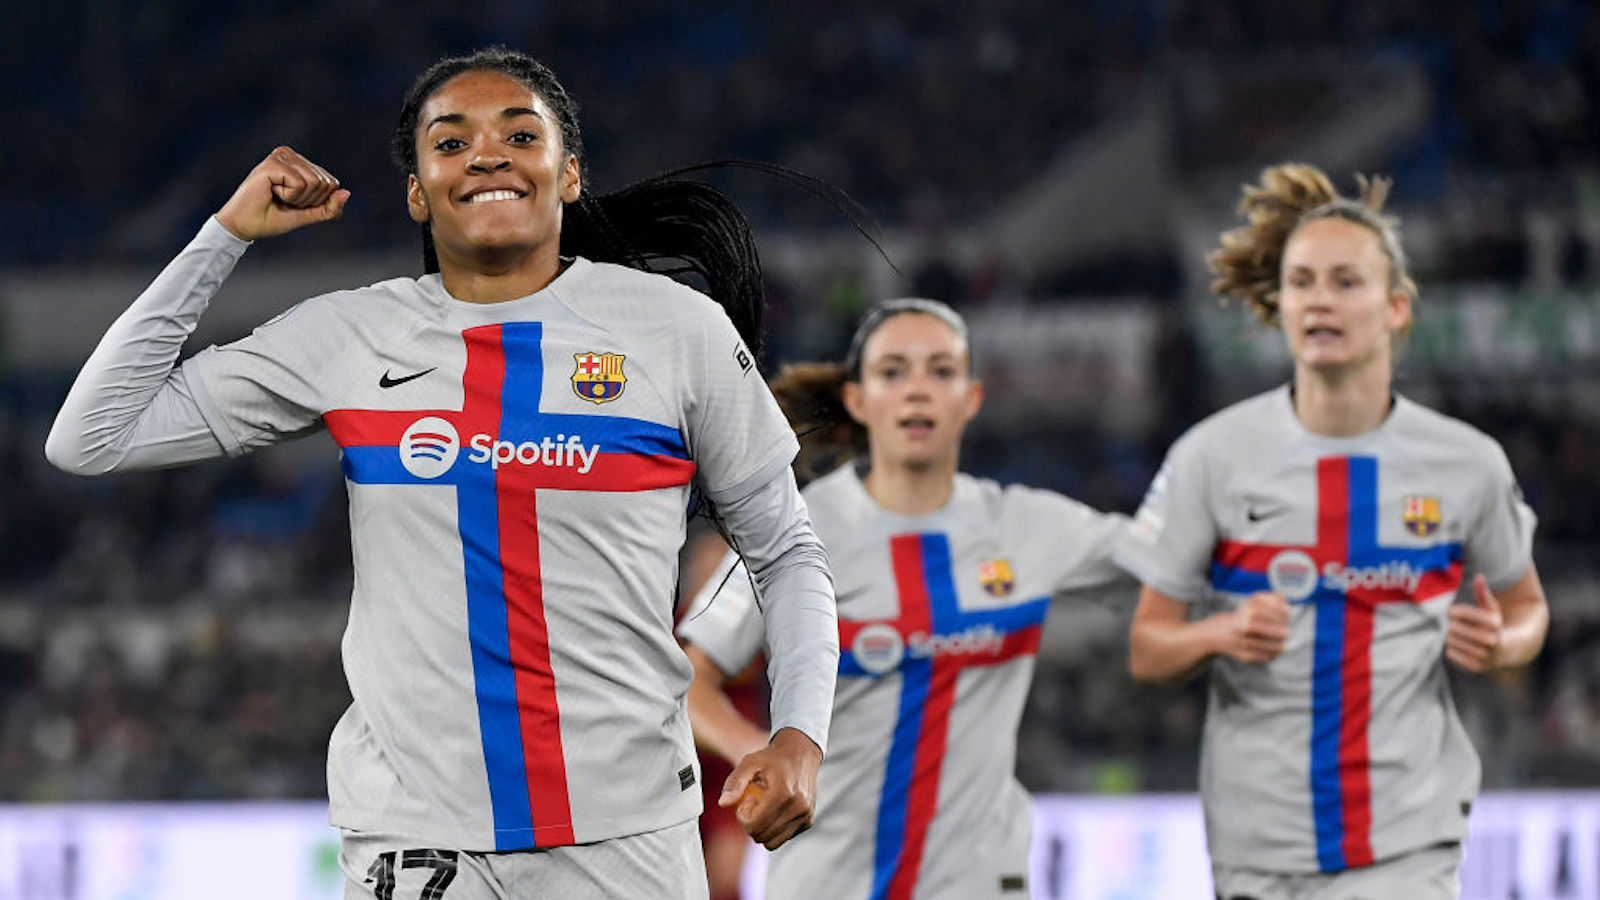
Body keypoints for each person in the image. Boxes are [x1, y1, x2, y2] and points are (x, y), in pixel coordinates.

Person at [45, 47, 839, 900]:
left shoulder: (676, 332)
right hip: (414, 846)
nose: (487, 154)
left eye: (519, 134)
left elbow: (786, 551)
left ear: (568, 174)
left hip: (624, 841)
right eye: (451, 142)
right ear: (420, 193)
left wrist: (800, 733)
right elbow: (90, 435)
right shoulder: (349, 336)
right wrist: (226, 235)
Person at [1117, 164, 1549, 900]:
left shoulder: (1468, 464)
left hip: (1408, 842)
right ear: (1279, 305)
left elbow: (1527, 606)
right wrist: (1217, 635)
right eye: (1303, 281)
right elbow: (1147, 648)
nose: (1321, 299)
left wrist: (1505, 642)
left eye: (1347, 281)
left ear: (1397, 308)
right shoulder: (1211, 457)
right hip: (1259, 849)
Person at [677, 298, 1131, 899]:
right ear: (857, 399)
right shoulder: (793, 535)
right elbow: (686, 681)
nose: (917, 389)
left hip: (981, 882)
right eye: (893, 371)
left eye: (940, 370)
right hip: (828, 879)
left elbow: (1175, 549)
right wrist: (762, 753)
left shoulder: (1032, 526)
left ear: (971, 398)